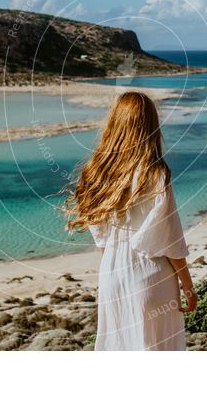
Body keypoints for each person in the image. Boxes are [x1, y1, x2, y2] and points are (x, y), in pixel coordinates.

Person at [63, 91, 196, 351]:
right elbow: (168, 239)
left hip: (111, 276)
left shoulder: (95, 173)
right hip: (151, 277)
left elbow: (101, 240)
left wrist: (114, 267)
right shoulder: (155, 172)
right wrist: (188, 286)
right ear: (150, 125)